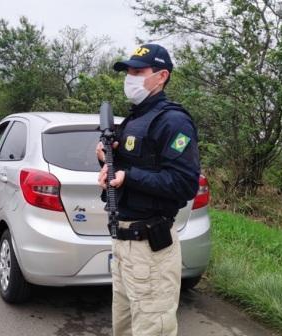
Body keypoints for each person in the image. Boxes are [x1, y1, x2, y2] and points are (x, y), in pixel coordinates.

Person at [96, 44, 200, 336]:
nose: (130, 77)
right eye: (128, 71)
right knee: (125, 328)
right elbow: (129, 168)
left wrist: (129, 177)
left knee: (153, 328)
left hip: (150, 249)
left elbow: (184, 184)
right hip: (123, 244)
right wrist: (106, 161)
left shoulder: (173, 121)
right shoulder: (135, 118)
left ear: (161, 76)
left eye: (138, 71)